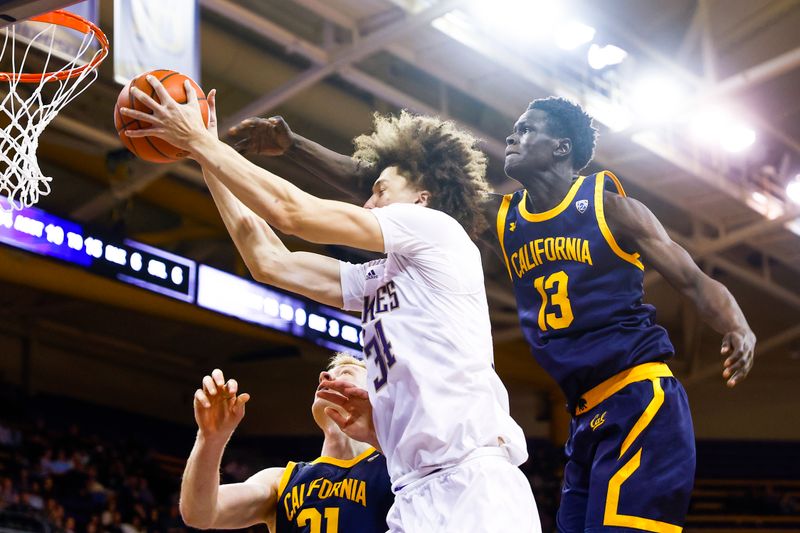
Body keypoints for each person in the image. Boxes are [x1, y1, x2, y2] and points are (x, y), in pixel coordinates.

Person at [224, 98, 756, 531]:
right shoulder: (506, 218)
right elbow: (391, 188)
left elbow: (690, 276)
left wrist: (735, 324)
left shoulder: (606, 205)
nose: (512, 136)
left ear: (561, 148)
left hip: (641, 392)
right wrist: (293, 148)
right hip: (583, 412)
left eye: (527, 130)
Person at [120, 78, 540, 532]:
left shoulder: (437, 231)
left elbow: (293, 213)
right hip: (413, 493)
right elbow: (270, 261)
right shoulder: (380, 277)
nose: (368, 202)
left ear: (422, 198)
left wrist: (198, 140)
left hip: (472, 483)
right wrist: (205, 157)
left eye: (380, 190)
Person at [180, 355, 394, 532]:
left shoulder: (398, 466)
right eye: (327, 373)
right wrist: (210, 438)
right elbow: (199, 513)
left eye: (346, 373)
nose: (324, 376)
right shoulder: (281, 480)